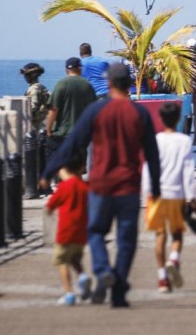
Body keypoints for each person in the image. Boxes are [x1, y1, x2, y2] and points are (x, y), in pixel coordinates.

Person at [41, 62, 161, 308]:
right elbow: (152, 154)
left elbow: (73, 144)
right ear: (128, 85)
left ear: (108, 84)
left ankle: (103, 268)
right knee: (126, 240)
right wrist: (156, 189)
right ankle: (118, 293)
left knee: (95, 233)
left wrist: (48, 171)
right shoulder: (139, 114)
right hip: (128, 186)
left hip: (101, 185)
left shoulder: (96, 111)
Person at [141, 101, 196, 293]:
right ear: (178, 118)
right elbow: (188, 171)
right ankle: (173, 258)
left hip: (157, 193)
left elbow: (148, 167)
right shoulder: (184, 141)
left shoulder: (155, 140)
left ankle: (162, 279)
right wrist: (191, 197)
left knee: (160, 235)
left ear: (161, 119)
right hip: (177, 193)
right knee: (177, 234)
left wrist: (147, 191)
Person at [45, 152, 91, 306]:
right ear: (83, 167)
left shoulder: (64, 187)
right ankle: (82, 275)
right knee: (75, 258)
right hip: (81, 232)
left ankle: (69, 293)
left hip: (65, 231)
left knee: (61, 260)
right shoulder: (85, 186)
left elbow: (50, 205)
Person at [46, 58, 96, 167]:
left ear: (66, 70)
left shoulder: (61, 84)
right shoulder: (87, 85)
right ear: (79, 69)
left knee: (62, 167)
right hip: (81, 135)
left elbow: (53, 109)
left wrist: (48, 130)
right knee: (78, 167)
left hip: (62, 134)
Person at [20, 63, 50, 133]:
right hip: (41, 124)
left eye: (26, 75)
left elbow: (32, 108)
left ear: (32, 75)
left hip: (35, 126)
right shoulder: (41, 87)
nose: (25, 77)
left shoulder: (33, 89)